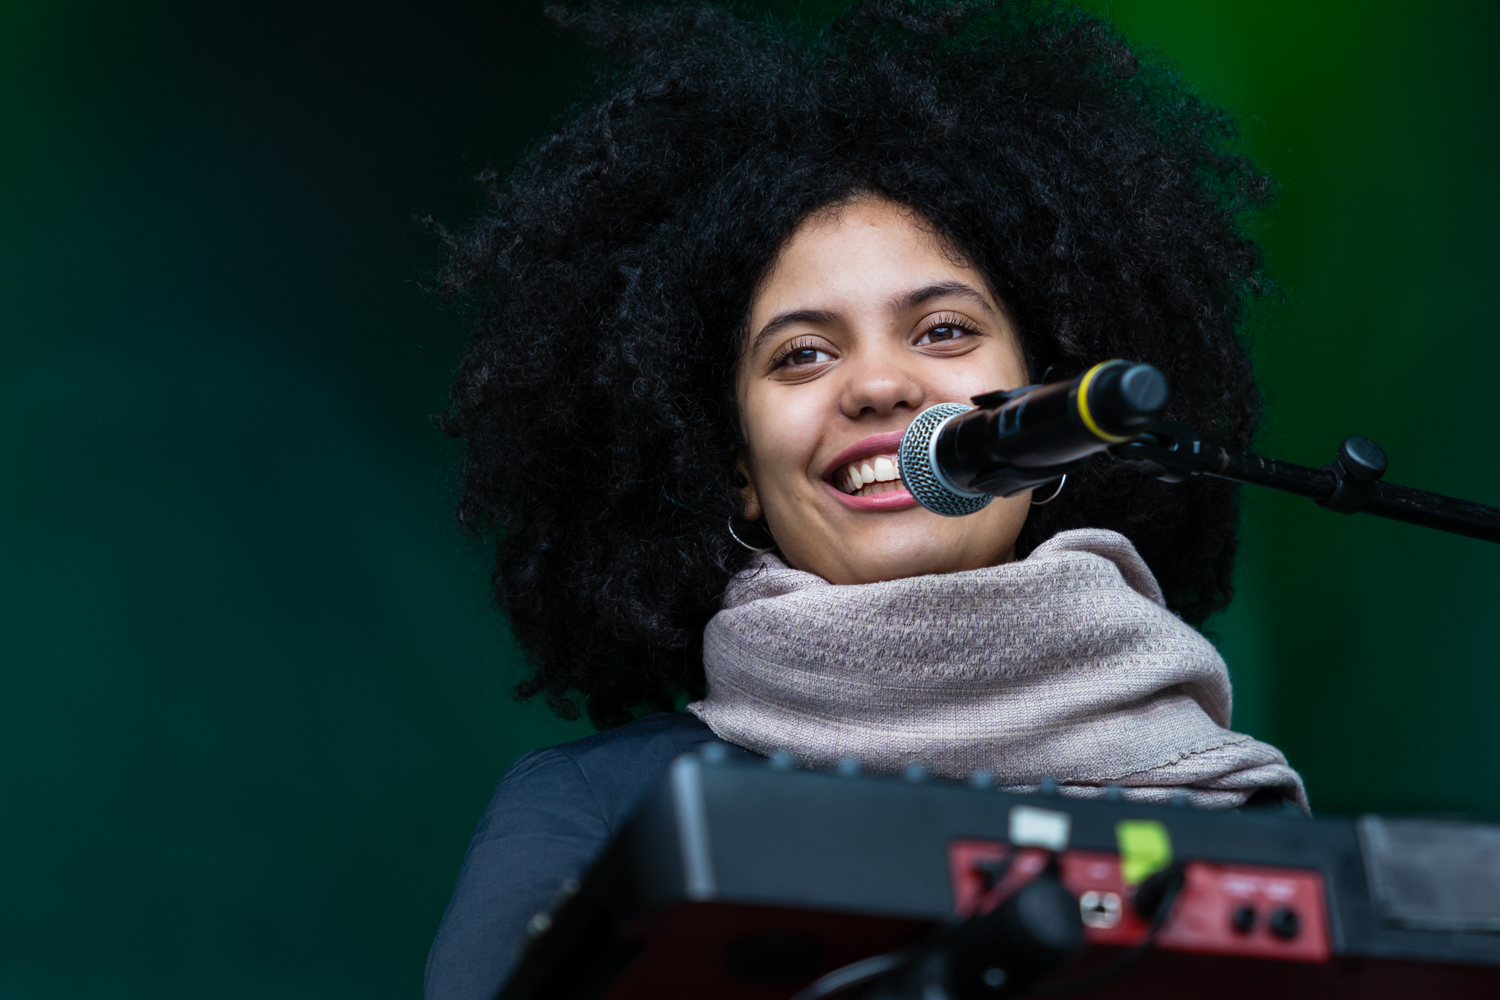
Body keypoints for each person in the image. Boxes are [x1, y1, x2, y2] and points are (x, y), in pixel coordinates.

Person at [423, 2, 1306, 997]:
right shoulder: (601, 807)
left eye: (943, 331)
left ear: (1042, 412)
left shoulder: (1232, 820)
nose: (878, 385)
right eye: (803, 353)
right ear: (741, 474)